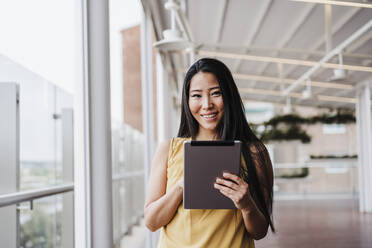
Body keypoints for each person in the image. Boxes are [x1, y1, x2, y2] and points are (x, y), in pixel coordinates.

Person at [144, 58, 275, 248]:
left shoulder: (254, 152)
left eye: (216, 93)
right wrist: (181, 186)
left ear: (229, 96)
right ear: (187, 101)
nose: (207, 104)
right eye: (197, 96)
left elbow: (260, 231)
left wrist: (247, 205)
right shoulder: (169, 149)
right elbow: (151, 221)